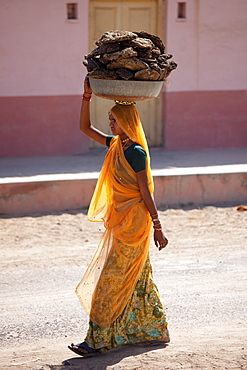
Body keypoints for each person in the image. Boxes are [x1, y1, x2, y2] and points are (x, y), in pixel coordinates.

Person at [68, 76, 169, 356]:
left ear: (126, 122)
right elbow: (85, 128)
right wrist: (85, 96)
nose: (111, 124)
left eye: (114, 120)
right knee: (137, 277)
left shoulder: (136, 152)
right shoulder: (115, 145)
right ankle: (152, 330)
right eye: (111, 120)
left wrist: (157, 225)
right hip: (120, 220)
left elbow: (145, 191)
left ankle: (97, 341)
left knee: (109, 281)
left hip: (135, 222)